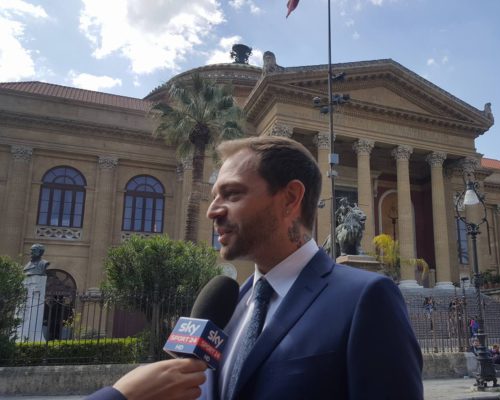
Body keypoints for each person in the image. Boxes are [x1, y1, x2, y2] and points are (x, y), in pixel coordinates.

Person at [89, 136, 424, 400]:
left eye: (232, 194)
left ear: (290, 199)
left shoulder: (365, 299)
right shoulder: (229, 305)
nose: (212, 211)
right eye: (214, 195)